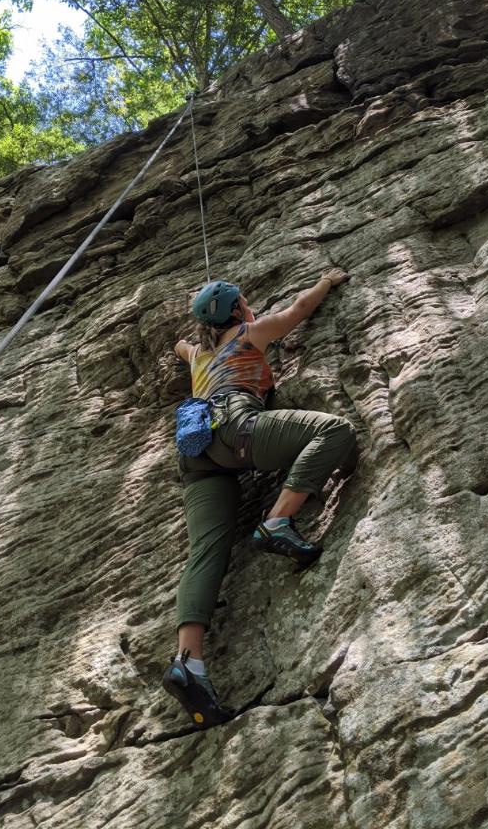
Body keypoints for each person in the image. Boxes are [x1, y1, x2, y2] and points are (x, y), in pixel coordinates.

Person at [162, 271, 357, 729]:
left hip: (196, 450)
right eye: (244, 302)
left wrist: (189, 341)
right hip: (236, 426)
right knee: (336, 431)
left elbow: (179, 346)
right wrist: (325, 283)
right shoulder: (249, 332)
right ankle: (277, 521)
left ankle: (188, 661)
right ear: (237, 310)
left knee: (206, 550)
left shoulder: (197, 353)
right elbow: (298, 311)